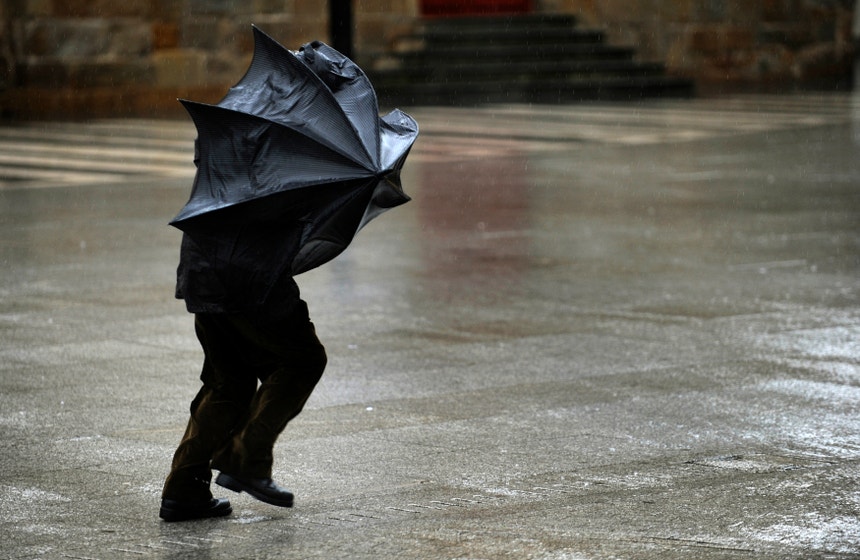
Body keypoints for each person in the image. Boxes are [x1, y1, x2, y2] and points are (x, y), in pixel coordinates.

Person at [159, 216, 327, 522]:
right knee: (304, 360)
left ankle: (185, 488)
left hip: (203, 265)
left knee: (229, 382)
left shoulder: (218, 167)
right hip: (251, 273)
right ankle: (246, 457)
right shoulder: (275, 166)